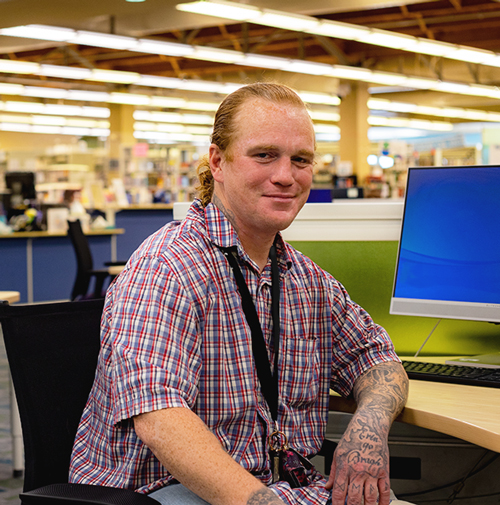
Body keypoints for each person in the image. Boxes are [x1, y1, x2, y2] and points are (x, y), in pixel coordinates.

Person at [69, 82, 411, 505]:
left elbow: (376, 358)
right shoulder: (168, 267)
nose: (285, 176)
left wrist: (370, 427)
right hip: (164, 493)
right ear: (218, 161)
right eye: (264, 155)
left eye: (300, 160)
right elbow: (161, 418)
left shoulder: (304, 280)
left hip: (276, 485)